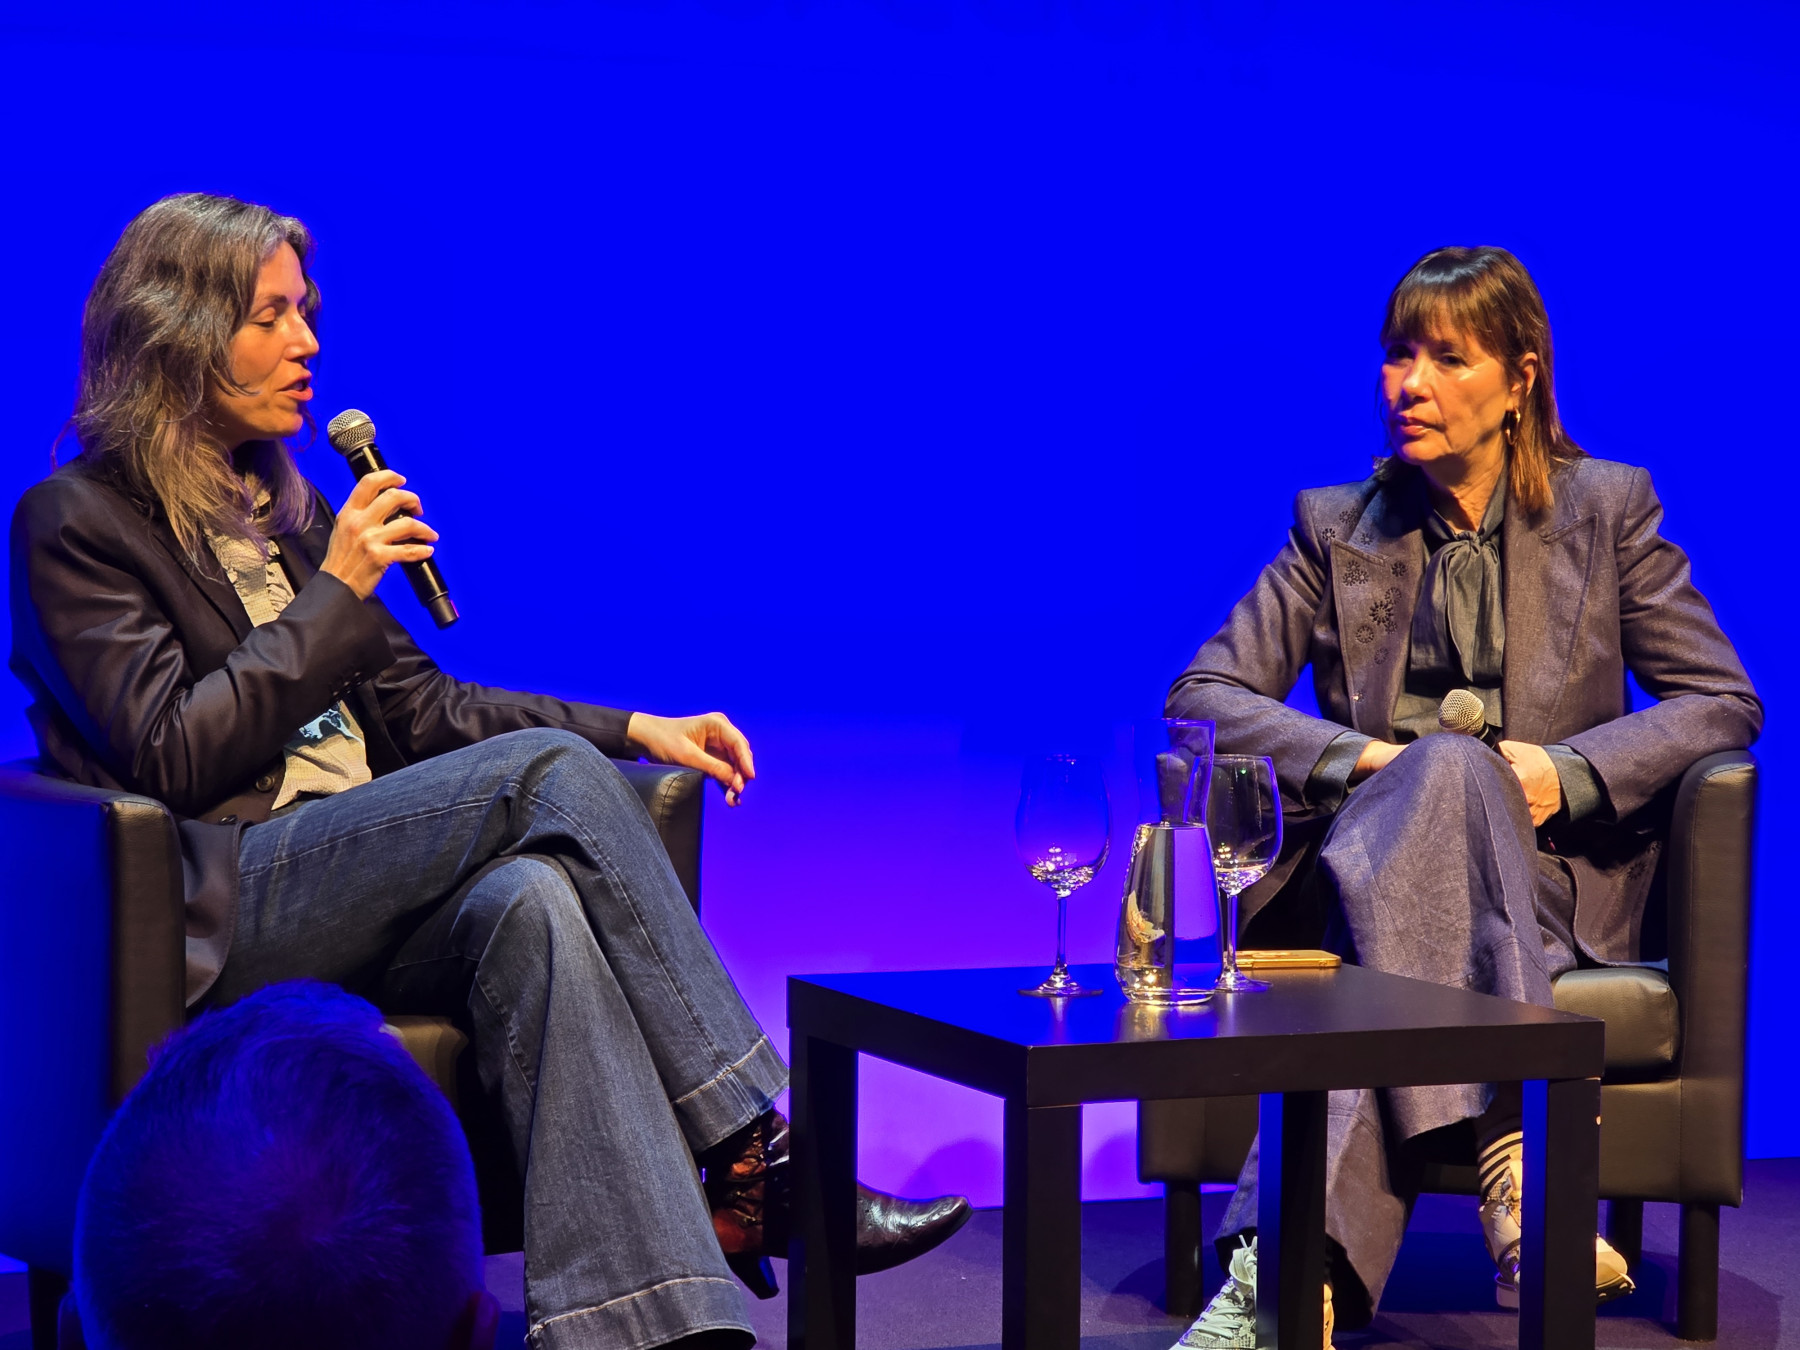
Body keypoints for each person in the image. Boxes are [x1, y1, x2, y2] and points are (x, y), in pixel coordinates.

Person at [10, 192, 969, 1350]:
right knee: (546, 780)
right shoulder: (75, 524)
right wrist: (332, 602)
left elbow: (435, 714)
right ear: (177, 331)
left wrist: (634, 727)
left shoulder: (294, 519)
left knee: (535, 903)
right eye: (272, 317)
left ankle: (637, 1323)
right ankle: (756, 1148)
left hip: (355, 875)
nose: (309, 343)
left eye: (307, 312)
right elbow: (167, 751)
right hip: (219, 901)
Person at [1161, 246, 1760, 1347]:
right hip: (1373, 864)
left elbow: (1722, 700)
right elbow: (1202, 692)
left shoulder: (1609, 509)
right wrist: (1365, 761)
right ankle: (1512, 1154)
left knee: (1460, 777)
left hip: (1548, 886)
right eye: (1398, 355)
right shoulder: (1334, 524)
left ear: (1521, 379)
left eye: (1447, 359)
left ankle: (1286, 1279)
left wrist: (1567, 772)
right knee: (1438, 761)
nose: (1410, 384)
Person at [66, 982, 502, 1350]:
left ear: (68, 1336)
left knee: (531, 895)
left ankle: (568, 1326)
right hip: (207, 905)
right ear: (479, 1338)